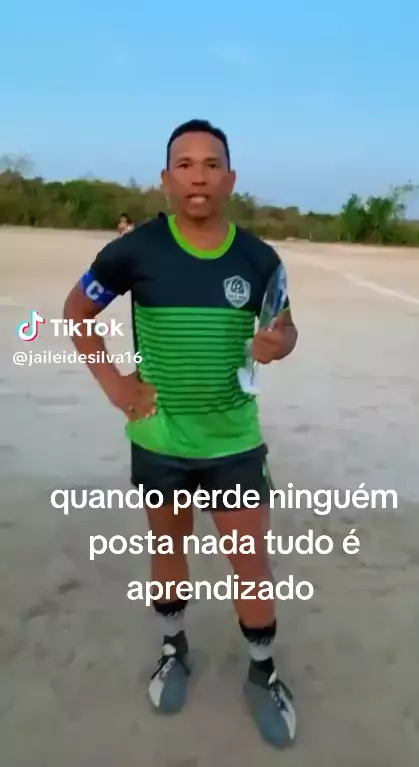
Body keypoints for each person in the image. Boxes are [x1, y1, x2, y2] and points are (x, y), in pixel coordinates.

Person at [62, 119, 299, 748]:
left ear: (231, 178)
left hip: (234, 442)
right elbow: (76, 311)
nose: (198, 176)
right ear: (166, 179)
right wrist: (115, 384)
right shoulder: (134, 251)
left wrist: (278, 344)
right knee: (169, 550)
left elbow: (285, 328)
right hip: (160, 441)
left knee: (250, 561)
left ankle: (263, 673)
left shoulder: (259, 259)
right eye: (185, 164)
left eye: (211, 164)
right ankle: (174, 649)